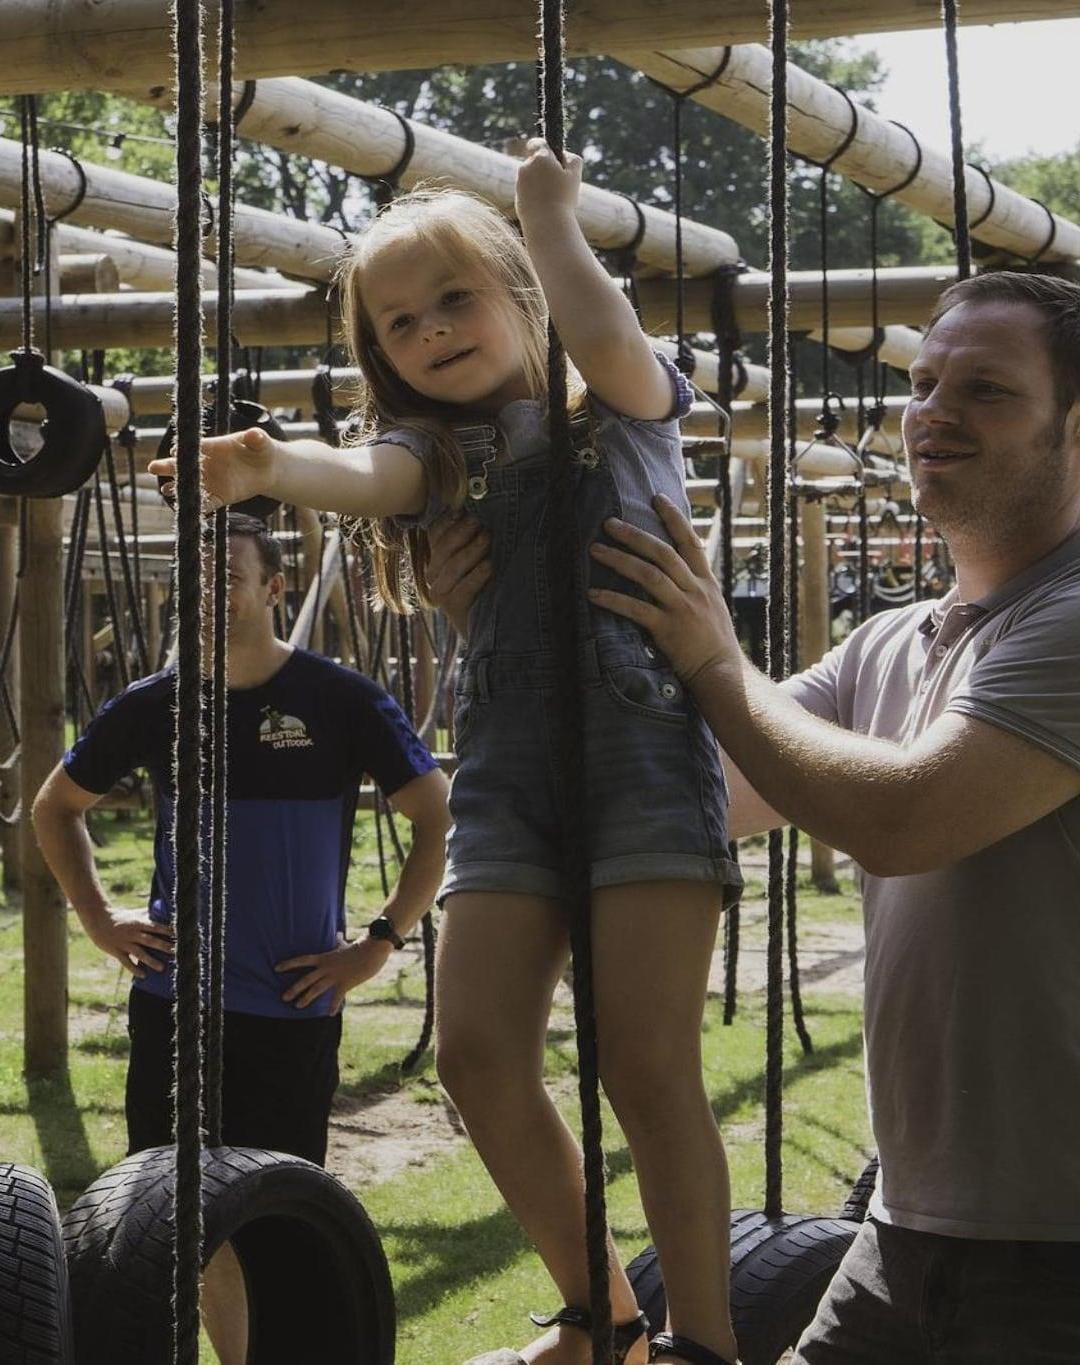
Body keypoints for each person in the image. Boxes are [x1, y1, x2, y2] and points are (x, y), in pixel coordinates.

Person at [555, 270, 1080, 1362]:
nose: (933, 413)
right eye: (924, 383)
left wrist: (712, 656)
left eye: (985, 390)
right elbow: (702, 787)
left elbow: (903, 819)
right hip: (912, 1223)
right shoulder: (890, 644)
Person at [160, 151, 746, 1365]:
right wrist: (272, 469)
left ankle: (704, 1341)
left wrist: (547, 222)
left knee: (645, 1064)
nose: (428, 330)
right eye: (398, 324)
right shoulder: (435, 459)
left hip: (639, 755)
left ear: (523, 297)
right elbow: (370, 475)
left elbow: (602, 332)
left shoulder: (622, 408)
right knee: (475, 1054)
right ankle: (603, 1316)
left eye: (453, 299)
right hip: (505, 776)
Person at [32, 512, 450, 1365]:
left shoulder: (340, 700)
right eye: (194, 579)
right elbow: (54, 807)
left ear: (274, 587)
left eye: (226, 576)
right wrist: (99, 917)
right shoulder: (155, 703)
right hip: (173, 1008)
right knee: (180, 1218)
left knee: (278, 1215)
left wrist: (378, 940)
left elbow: (438, 819)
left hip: (291, 1007)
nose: (207, 594)